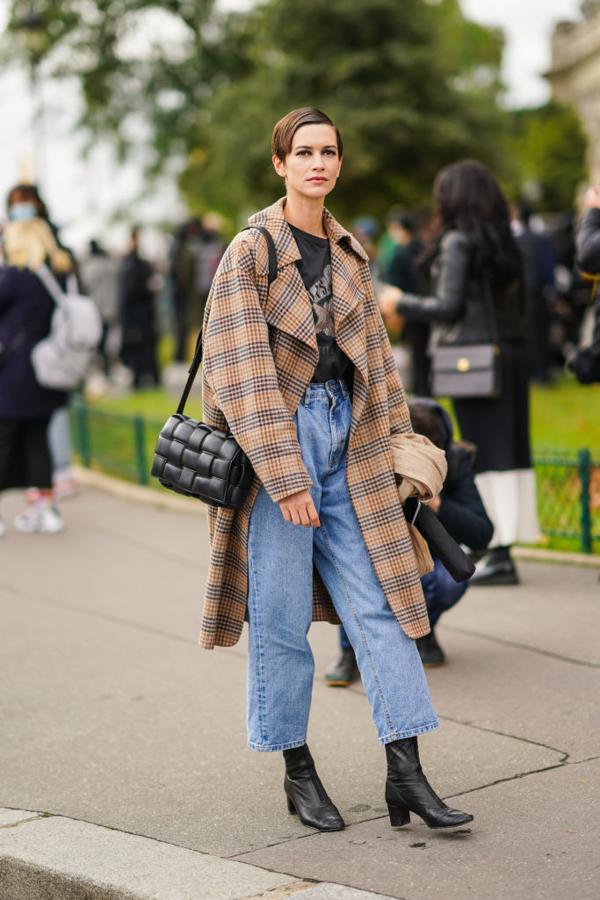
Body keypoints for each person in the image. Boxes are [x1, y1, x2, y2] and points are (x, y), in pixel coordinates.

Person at [199, 106, 473, 833]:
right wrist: (285, 477)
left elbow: (379, 369)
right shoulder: (251, 251)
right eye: (303, 152)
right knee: (282, 621)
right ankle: (297, 769)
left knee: (381, 604)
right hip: (274, 452)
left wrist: (398, 452)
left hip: (348, 443)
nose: (317, 163)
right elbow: (241, 372)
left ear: (338, 165)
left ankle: (406, 774)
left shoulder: (352, 254)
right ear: (280, 164)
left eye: (328, 152)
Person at [380, 160, 539, 586]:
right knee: (509, 453)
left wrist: (400, 302)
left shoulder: (455, 242)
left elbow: (447, 308)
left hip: (471, 361)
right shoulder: (502, 241)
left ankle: (495, 550)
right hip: (509, 354)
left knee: (481, 452)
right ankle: (503, 546)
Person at [325, 398, 493, 678]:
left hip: (429, 560)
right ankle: (350, 650)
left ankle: (423, 633)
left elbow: (481, 533)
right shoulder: (370, 459)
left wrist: (436, 504)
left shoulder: (455, 461)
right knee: (356, 573)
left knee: (448, 581)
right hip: (375, 554)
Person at [0, 217, 71, 534]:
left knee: (3, 442)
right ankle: (45, 510)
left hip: (13, 375)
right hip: (48, 372)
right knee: (39, 443)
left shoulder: (14, 277)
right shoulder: (57, 273)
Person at [381, 211, 430, 396]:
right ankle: (425, 388)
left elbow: (391, 284)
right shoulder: (423, 247)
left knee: (413, 353)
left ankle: (418, 390)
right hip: (426, 307)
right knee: (423, 354)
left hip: (405, 307)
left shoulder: (400, 253)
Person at [511, 202, 555, 384]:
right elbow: (548, 267)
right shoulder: (539, 239)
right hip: (538, 293)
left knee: (526, 333)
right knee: (541, 333)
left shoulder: (515, 241)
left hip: (519, 294)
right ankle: (541, 372)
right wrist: (553, 290)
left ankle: (530, 372)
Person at [119, 227, 160, 389]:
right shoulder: (134, 263)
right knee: (141, 346)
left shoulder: (134, 262)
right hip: (139, 312)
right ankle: (144, 377)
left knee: (144, 345)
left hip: (141, 312)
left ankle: (145, 378)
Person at [80, 239, 120, 377]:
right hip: (111, 308)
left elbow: (84, 285)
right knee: (109, 340)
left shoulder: (90, 267)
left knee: (98, 341)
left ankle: (101, 368)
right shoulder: (111, 265)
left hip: (96, 308)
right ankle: (107, 367)